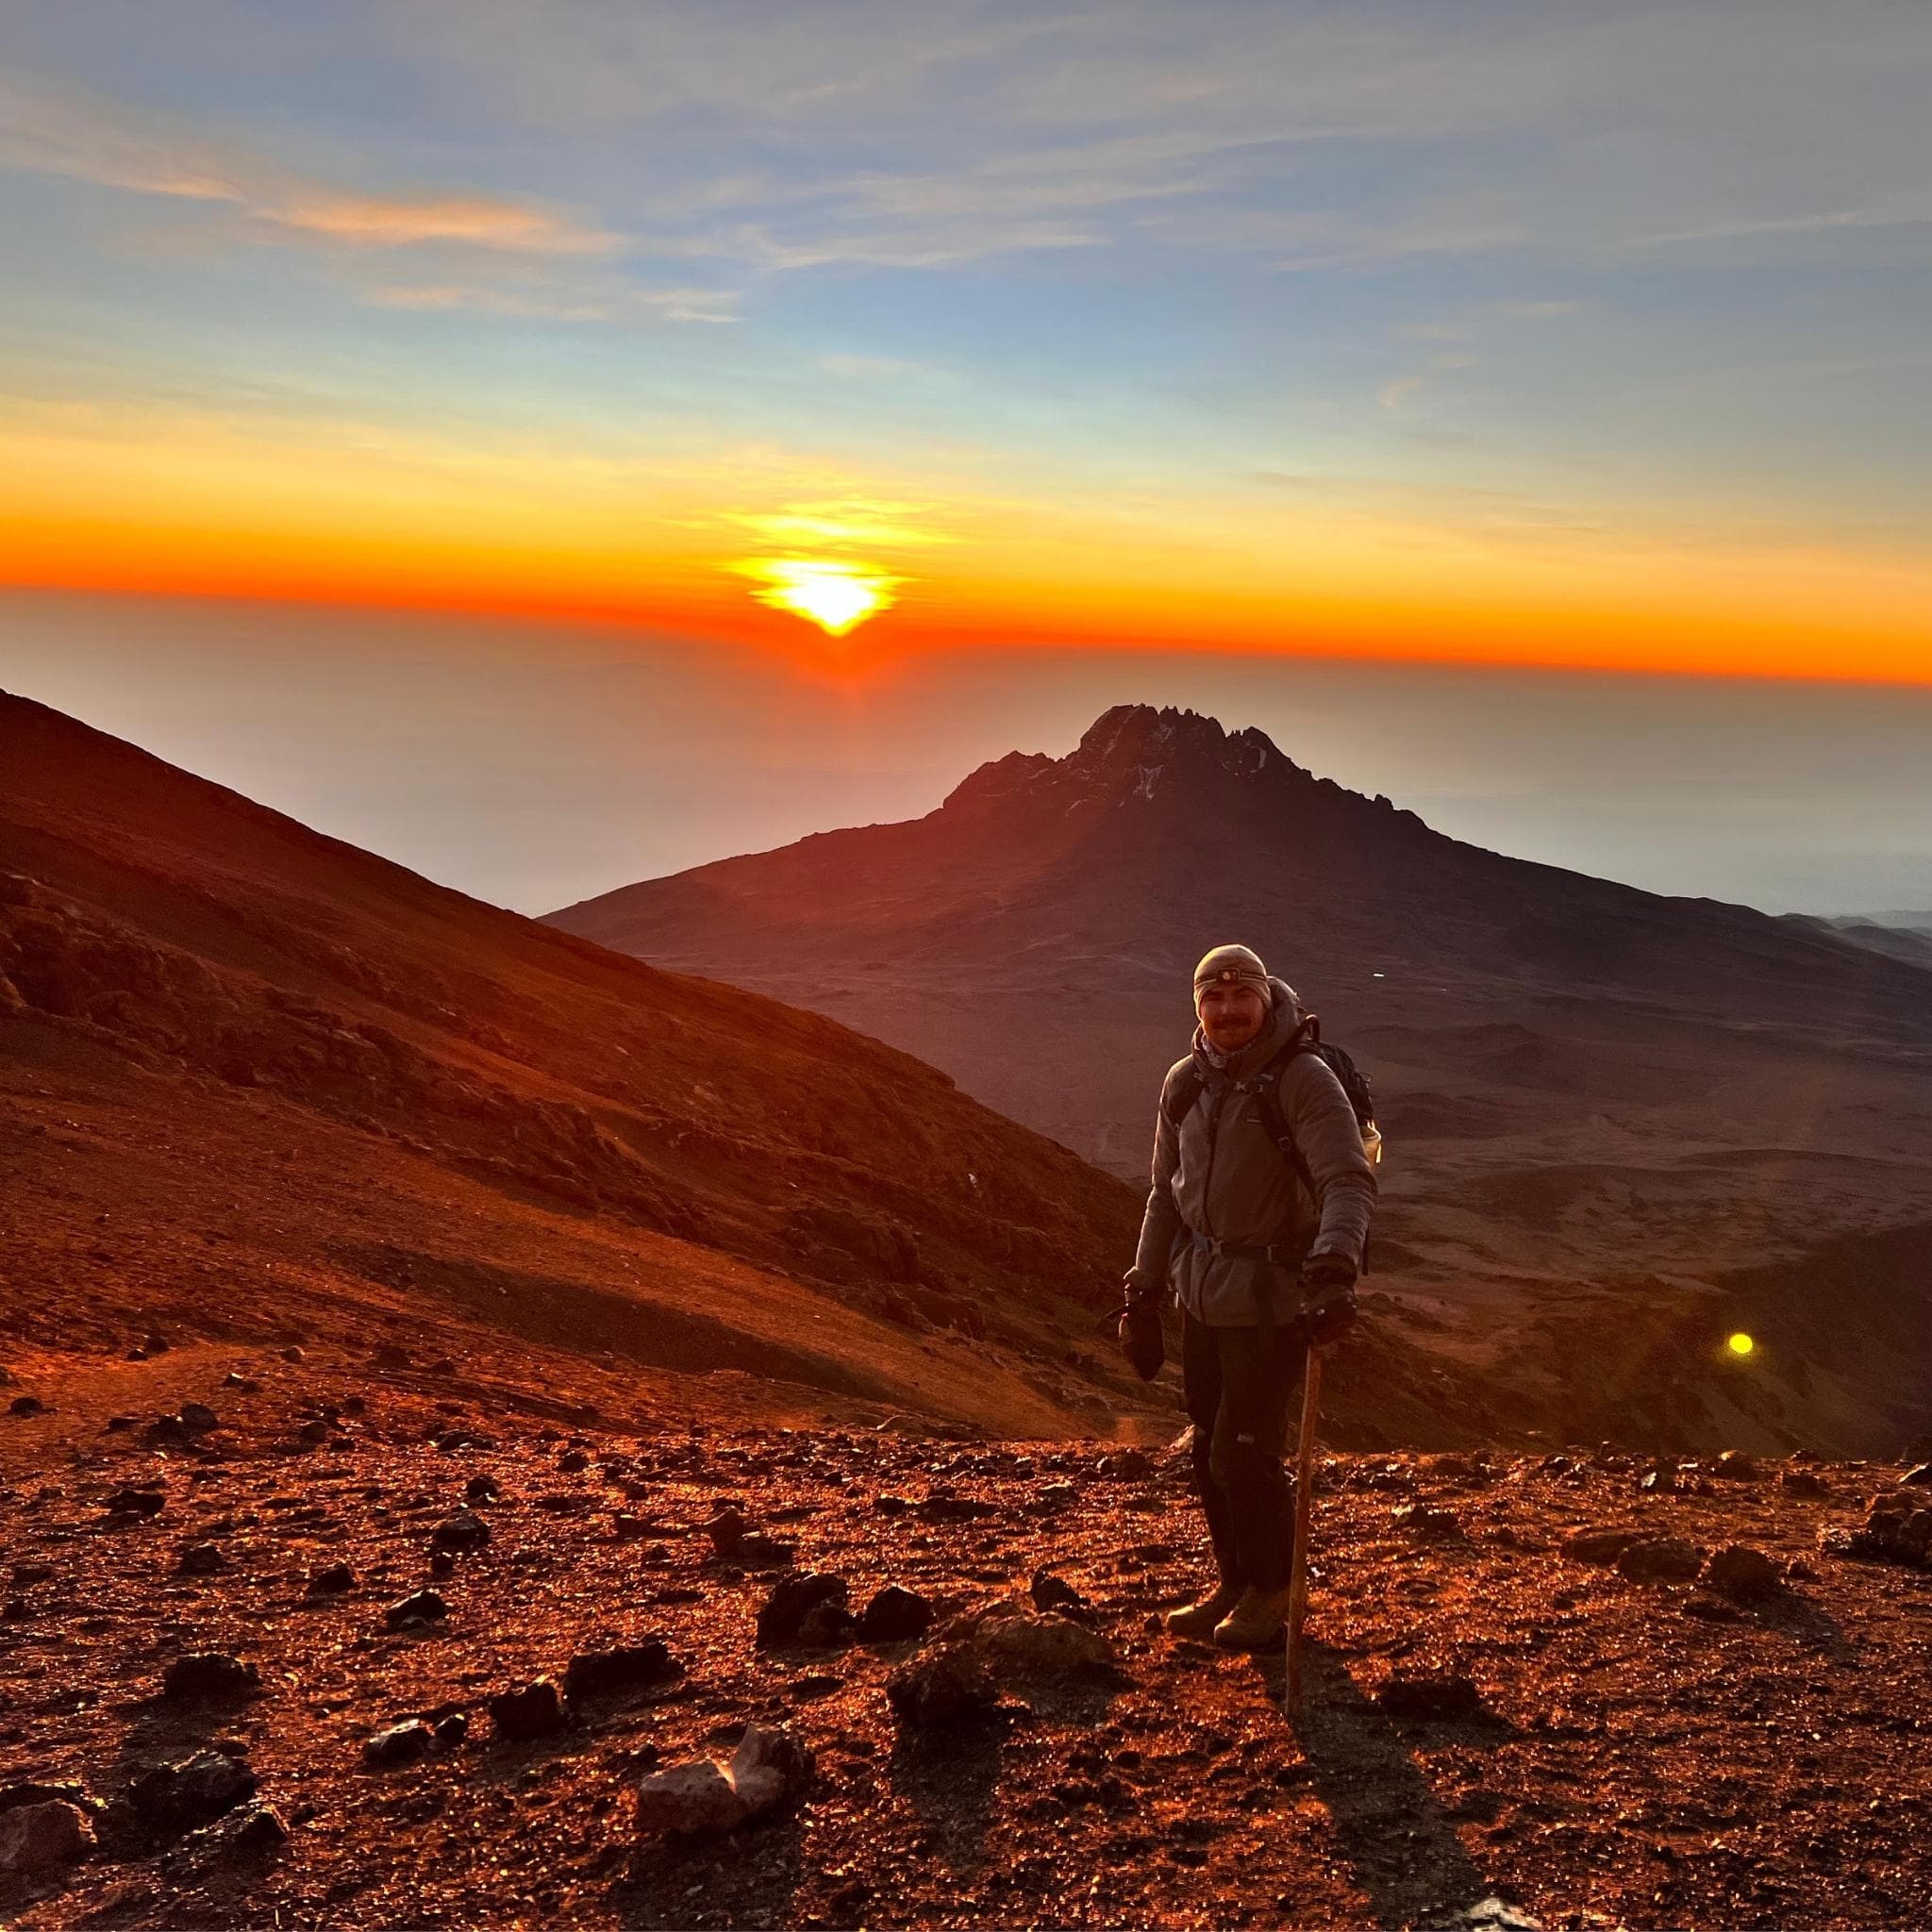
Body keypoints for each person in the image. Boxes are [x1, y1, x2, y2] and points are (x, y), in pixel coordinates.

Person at [1123, 943, 1376, 1651]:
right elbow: (1163, 1196)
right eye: (1213, 997)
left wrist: (1333, 1270)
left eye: (1242, 996)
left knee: (1244, 1453)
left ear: (1267, 1000)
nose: (1228, 1010)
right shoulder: (1184, 1083)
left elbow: (1347, 1180)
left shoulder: (1302, 1079)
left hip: (1274, 1302)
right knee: (1208, 1449)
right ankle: (1235, 1583)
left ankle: (1274, 1595)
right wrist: (1141, 1291)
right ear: (1197, 1007)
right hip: (1201, 1296)